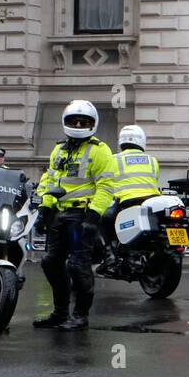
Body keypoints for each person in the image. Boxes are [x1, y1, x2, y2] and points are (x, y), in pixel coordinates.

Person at [34, 100, 117, 331]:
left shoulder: (100, 150)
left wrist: (93, 217)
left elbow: (106, 186)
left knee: (78, 266)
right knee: (50, 263)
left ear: (93, 124)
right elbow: (50, 181)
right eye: (74, 120)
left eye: (84, 121)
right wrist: (45, 209)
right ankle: (60, 314)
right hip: (60, 214)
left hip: (82, 215)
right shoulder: (59, 149)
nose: (79, 124)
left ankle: (80, 316)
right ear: (65, 122)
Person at [100, 125, 163, 255]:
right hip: (153, 202)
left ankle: (110, 252)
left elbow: (105, 182)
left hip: (126, 202)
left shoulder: (113, 159)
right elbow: (155, 178)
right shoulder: (152, 160)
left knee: (104, 221)